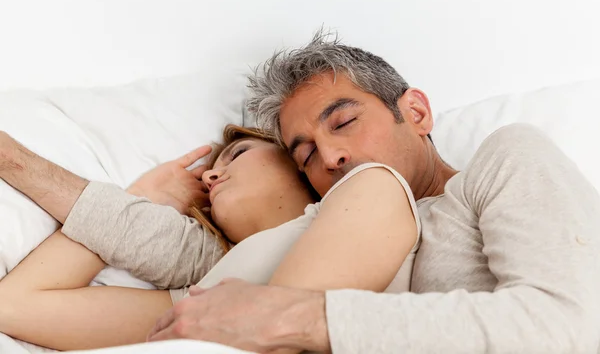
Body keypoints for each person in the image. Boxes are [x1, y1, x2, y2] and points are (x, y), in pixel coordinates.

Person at [142, 32, 599, 353]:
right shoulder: (327, 241)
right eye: (306, 157)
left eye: (344, 123)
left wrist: (295, 317)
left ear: (416, 113)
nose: (331, 157)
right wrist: (144, 196)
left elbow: (572, 326)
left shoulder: (505, 158)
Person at [0, 123, 420, 351]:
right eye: (205, 173)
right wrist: (141, 196)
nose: (211, 174)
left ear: (298, 161)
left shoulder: (371, 188)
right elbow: (14, 306)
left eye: (237, 154)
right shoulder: (207, 295)